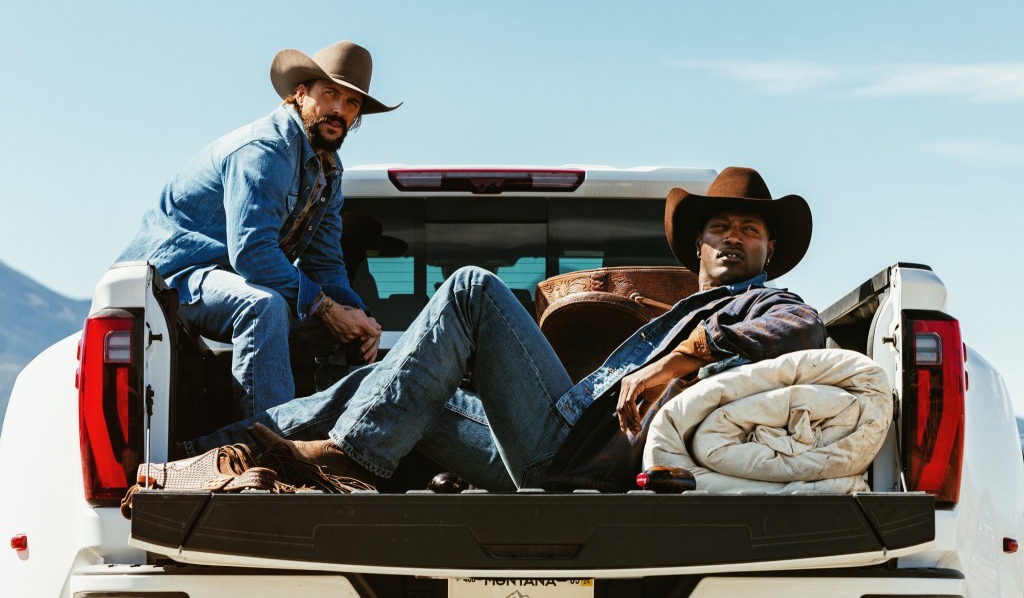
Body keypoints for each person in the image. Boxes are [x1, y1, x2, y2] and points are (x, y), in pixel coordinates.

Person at [179, 167, 827, 491]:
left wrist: (675, 360)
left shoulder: (769, 303)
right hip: (560, 446)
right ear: (699, 243)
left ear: (770, 251)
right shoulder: (680, 307)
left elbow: (803, 329)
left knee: (470, 291)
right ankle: (204, 455)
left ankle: (354, 458)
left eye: (750, 230)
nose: (734, 239)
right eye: (722, 226)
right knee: (385, 380)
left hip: (586, 450)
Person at [117, 40, 400, 420]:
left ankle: (338, 445)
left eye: (351, 104)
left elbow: (327, 264)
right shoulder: (265, 149)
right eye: (329, 94)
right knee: (263, 304)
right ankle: (270, 448)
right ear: (301, 94)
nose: (338, 109)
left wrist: (358, 316)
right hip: (173, 279)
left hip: (228, 280)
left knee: (343, 329)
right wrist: (327, 307)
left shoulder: (330, 172)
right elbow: (253, 253)